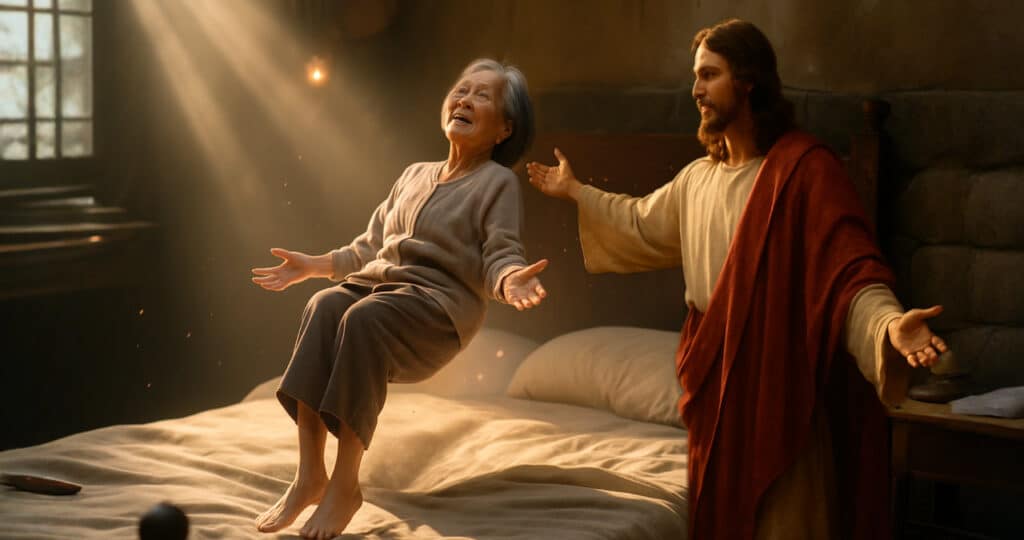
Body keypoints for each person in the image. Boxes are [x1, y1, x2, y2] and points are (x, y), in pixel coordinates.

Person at [527, 19, 947, 540]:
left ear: (748, 81)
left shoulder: (804, 173)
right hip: (715, 388)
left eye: (709, 75)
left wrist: (888, 327)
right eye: (695, 77)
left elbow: (847, 278)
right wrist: (576, 192)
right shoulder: (697, 180)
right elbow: (637, 222)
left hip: (779, 385)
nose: (696, 90)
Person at [250, 58, 548, 540]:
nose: (465, 99)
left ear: (504, 129)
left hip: (436, 311)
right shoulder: (413, 174)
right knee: (324, 306)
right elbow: (368, 249)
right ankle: (310, 476)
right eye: (461, 89)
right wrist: (314, 266)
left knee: (364, 318)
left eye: (483, 96)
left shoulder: (497, 182)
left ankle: (345, 487)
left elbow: (501, 253)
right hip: (381, 291)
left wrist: (511, 280)